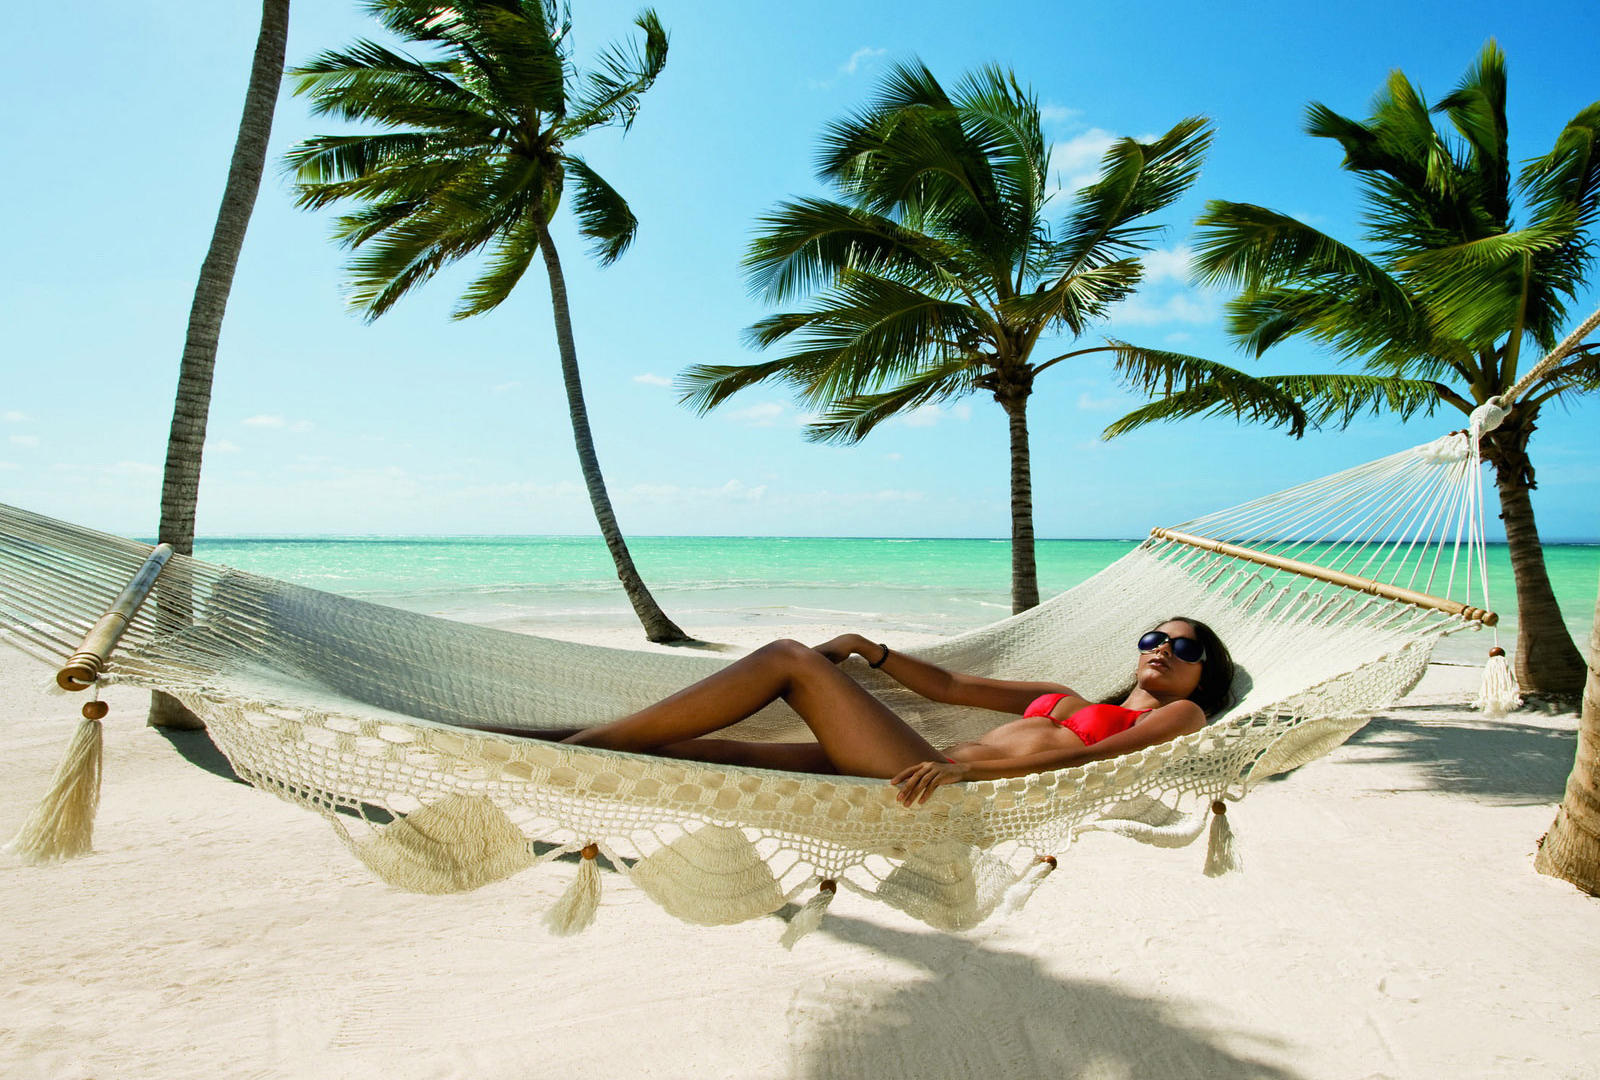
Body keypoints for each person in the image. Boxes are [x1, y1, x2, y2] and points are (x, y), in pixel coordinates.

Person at [558, 617, 1235, 807]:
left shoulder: (1174, 721)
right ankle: (545, 742)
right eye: (1154, 638)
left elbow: (1090, 760)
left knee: (792, 659)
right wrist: (865, 648)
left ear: (1207, 674)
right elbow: (947, 684)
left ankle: (577, 745)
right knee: (707, 752)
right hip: (916, 768)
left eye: (1185, 647)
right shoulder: (1068, 695)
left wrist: (968, 779)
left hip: (939, 782)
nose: (1163, 650)